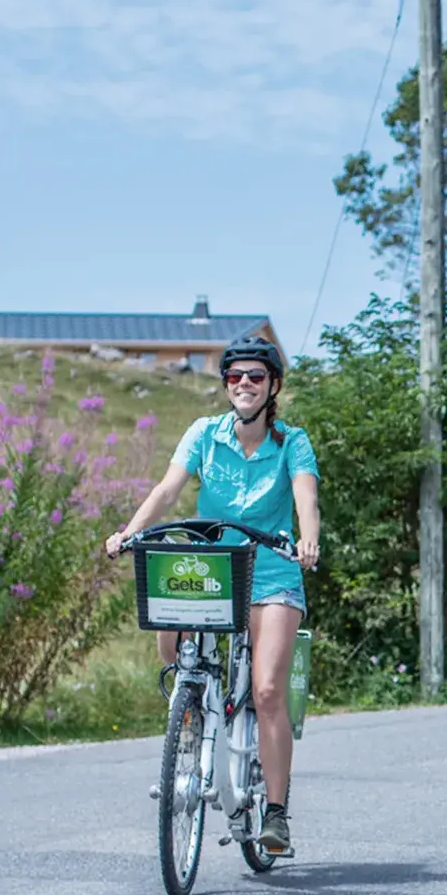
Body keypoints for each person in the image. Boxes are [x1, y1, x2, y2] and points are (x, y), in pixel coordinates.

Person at [105, 333, 320, 857]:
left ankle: (275, 812)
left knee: (266, 692)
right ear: (225, 384)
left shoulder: (292, 442)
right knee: (173, 643)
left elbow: (305, 496)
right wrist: (129, 532)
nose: (244, 384)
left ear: (273, 386)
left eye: (255, 377)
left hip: (271, 573)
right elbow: (166, 490)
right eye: (235, 376)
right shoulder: (204, 434)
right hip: (214, 571)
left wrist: (308, 538)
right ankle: (192, 711)